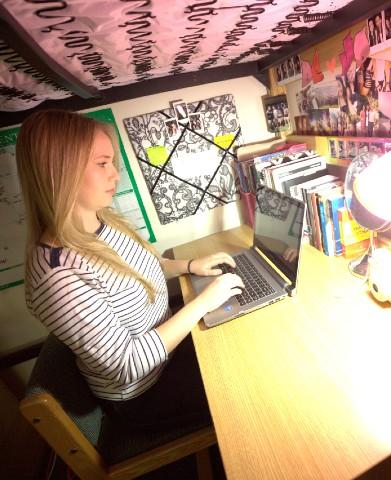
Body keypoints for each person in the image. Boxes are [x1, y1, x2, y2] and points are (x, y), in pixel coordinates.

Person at [15, 109, 244, 430]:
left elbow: (140, 268)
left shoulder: (101, 219)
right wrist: (202, 303)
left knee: (242, 330)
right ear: (60, 172)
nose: (115, 175)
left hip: (168, 351)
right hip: (146, 393)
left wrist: (191, 265)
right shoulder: (57, 277)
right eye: (102, 163)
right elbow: (127, 365)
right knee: (249, 379)